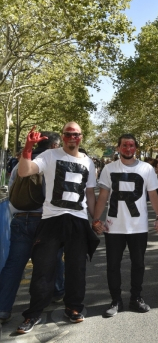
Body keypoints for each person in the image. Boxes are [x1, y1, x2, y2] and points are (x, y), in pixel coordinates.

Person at [15, 123, 98, 334]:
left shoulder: (89, 162)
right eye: (68, 134)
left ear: (81, 137)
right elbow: (25, 171)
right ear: (63, 137)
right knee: (43, 270)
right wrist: (27, 148)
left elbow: (90, 194)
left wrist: (96, 219)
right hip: (52, 219)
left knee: (77, 269)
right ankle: (33, 313)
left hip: (78, 220)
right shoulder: (50, 155)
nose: (72, 138)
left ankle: (73, 307)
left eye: (76, 134)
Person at [92, 134, 158, 316]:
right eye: (124, 145)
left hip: (138, 226)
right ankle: (115, 300)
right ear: (118, 147)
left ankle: (136, 298)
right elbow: (103, 197)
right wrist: (96, 219)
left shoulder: (146, 168)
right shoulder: (109, 169)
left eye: (131, 145)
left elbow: (153, 195)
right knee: (112, 265)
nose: (128, 148)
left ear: (136, 148)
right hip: (114, 226)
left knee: (138, 264)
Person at [0, 132, 63, 325]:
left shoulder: (22, 163)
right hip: (43, 219)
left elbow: (12, 191)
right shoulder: (51, 164)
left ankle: (3, 308)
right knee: (51, 258)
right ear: (53, 146)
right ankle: (57, 291)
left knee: (14, 264)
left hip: (20, 219)